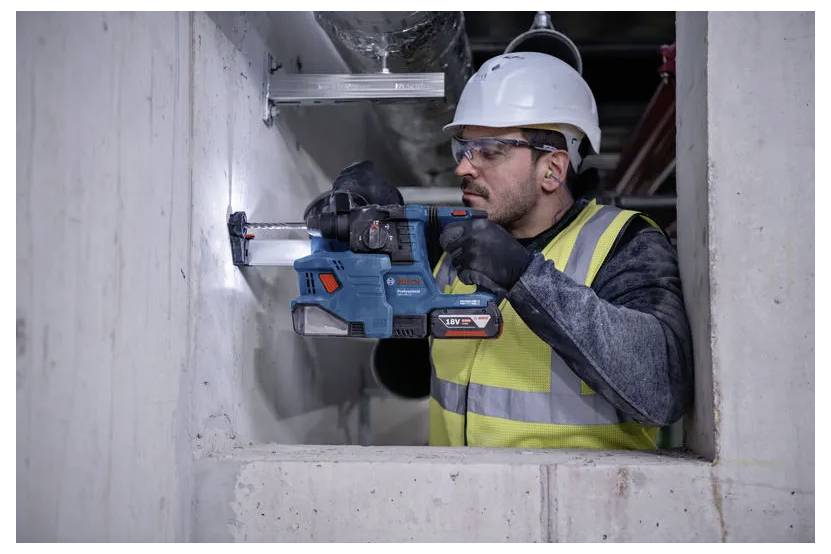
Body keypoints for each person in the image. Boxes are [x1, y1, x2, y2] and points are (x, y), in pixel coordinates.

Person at [333, 52, 693, 449]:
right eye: (463, 149)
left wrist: (524, 277)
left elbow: (663, 389)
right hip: (454, 502)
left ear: (552, 170)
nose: (464, 168)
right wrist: (393, 247)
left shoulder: (624, 244)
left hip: (582, 506)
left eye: (489, 151)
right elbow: (406, 376)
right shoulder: (455, 252)